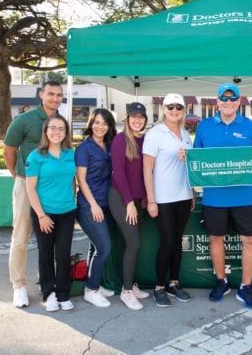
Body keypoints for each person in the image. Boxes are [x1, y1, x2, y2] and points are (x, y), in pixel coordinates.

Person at [193, 82, 252, 309]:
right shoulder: (204, 126)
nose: (228, 102)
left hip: (244, 197)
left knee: (249, 240)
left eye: (233, 98)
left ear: (239, 101)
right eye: (224, 98)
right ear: (217, 101)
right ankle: (222, 281)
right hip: (214, 198)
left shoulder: (251, 127)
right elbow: (196, 162)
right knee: (215, 239)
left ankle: (245, 287)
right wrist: (186, 158)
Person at [3, 80, 63, 308]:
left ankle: (47, 283)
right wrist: (19, 177)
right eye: (51, 94)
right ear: (41, 95)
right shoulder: (24, 120)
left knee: (50, 240)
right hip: (26, 185)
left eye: (59, 95)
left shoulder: (61, 121)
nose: (55, 98)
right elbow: (9, 152)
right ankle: (18, 285)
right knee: (21, 237)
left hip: (53, 190)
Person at [143, 93, 195, 308]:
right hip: (163, 198)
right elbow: (147, 168)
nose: (175, 110)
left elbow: (191, 168)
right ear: (163, 109)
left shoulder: (185, 134)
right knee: (167, 242)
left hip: (183, 196)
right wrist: (151, 200)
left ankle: (174, 283)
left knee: (178, 241)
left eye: (179, 107)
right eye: (170, 107)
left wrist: (191, 194)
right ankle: (159, 287)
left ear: (184, 110)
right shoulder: (155, 134)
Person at [25, 114, 77, 312]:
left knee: (63, 255)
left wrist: (72, 198)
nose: (57, 132)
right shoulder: (36, 156)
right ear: (46, 131)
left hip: (67, 212)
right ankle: (49, 293)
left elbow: (73, 179)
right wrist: (41, 215)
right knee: (45, 255)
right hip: (43, 213)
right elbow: (30, 188)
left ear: (66, 133)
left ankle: (64, 293)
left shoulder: (70, 153)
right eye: (53, 128)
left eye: (61, 128)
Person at [109, 102, 151, 310]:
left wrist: (143, 198)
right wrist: (129, 203)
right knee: (133, 244)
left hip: (137, 200)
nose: (137, 120)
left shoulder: (144, 141)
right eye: (133, 116)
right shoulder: (120, 140)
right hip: (120, 197)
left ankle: (129, 284)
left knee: (131, 244)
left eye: (141, 117)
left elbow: (144, 174)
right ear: (127, 119)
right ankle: (126, 291)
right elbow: (120, 174)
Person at [75, 108, 117, 308]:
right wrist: (93, 205)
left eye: (105, 123)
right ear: (91, 124)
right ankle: (91, 291)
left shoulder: (108, 146)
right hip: (89, 205)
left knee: (95, 247)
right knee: (104, 247)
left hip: (106, 203)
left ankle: (95, 285)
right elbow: (81, 180)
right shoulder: (84, 148)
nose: (100, 126)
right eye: (97, 122)